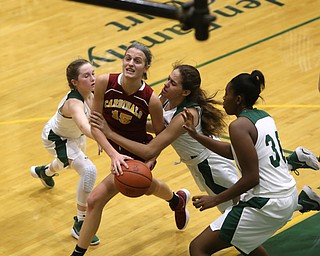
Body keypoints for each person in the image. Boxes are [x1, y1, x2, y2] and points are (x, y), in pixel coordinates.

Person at [91, 63, 319, 214]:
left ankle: (301, 200)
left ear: (186, 92)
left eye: (172, 82)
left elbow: (153, 146)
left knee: (241, 211)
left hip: (210, 165)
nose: (166, 84)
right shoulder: (165, 98)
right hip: (205, 158)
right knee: (247, 201)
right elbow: (160, 130)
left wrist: (111, 133)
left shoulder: (186, 114)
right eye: (168, 79)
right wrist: (120, 124)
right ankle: (294, 165)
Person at [70, 42, 189, 256]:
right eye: (128, 58)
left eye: (137, 60)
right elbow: (97, 126)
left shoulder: (151, 100)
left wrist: (151, 158)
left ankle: (77, 253)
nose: (130, 63)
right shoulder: (106, 82)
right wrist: (113, 154)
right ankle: (176, 200)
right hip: (117, 151)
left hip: (137, 152)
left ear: (146, 68)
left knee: (94, 200)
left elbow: (161, 135)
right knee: (147, 186)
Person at [182, 70, 318, 256]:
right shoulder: (263, 117)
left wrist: (216, 199)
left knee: (198, 247)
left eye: (227, 94)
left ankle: (297, 162)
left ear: (238, 99)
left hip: (266, 203)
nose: (223, 99)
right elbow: (233, 152)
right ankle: (297, 168)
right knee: (244, 241)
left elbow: (251, 178)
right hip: (288, 196)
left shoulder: (238, 127)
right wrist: (197, 136)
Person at [30, 59, 100, 245]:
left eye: (93, 73)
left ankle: (44, 172)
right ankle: (81, 222)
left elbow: (95, 118)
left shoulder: (91, 93)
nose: (93, 78)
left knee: (66, 163)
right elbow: (85, 127)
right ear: (74, 82)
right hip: (57, 139)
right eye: (86, 76)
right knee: (89, 171)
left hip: (74, 137)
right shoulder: (74, 103)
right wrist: (104, 139)